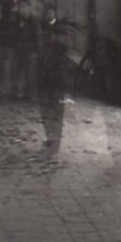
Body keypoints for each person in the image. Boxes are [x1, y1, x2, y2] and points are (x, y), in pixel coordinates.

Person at [36, 8, 70, 156]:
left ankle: (55, 142)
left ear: (55, 14)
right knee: (45, 110)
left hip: (56, 77)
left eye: (50, 13)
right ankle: (49, 137)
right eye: (46, 13)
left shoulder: (61, 32)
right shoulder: (42, 28)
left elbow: (62, 53)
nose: (48, 15)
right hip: (44, 76)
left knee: (56, 110)